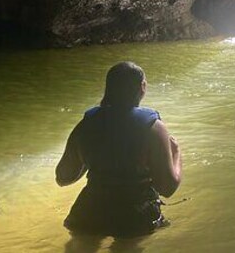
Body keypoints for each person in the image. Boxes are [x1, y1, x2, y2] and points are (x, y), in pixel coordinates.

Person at [56, 61, 182, 238]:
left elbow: (63, 177)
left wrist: (91, 159)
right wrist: (176, 153)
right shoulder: (153, 127)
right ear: (142, 87)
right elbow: (167, 188)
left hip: (88, 213)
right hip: (133, 216)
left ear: (108, 88)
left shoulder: (86, 124)